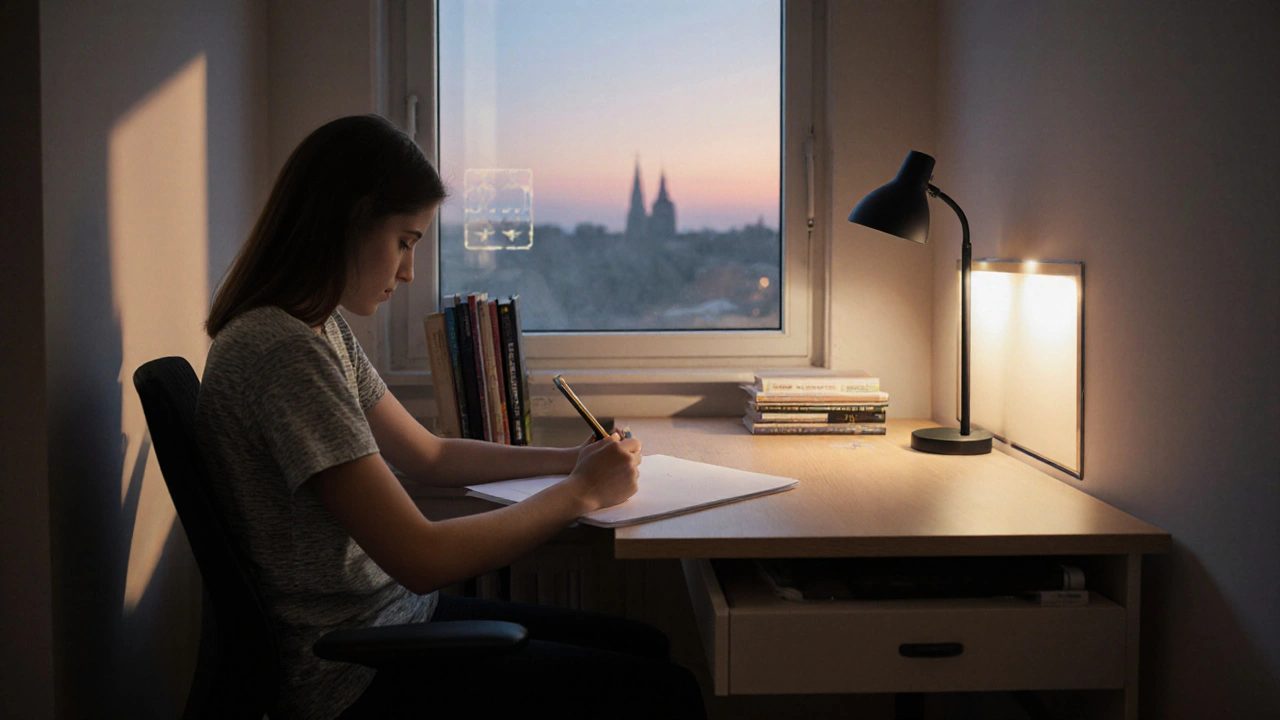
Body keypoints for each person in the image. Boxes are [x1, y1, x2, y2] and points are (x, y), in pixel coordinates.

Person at [196, 114, 706, 720]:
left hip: (393, 624)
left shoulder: (318, 326)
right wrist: (579, 494)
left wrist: (571, 459)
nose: (409, 271)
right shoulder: (285, 353)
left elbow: (429, 456)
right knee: (664, 692)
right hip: (355, 674)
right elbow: (421, 558)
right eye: (405, 242)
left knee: (645, 646)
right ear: (349, 220)